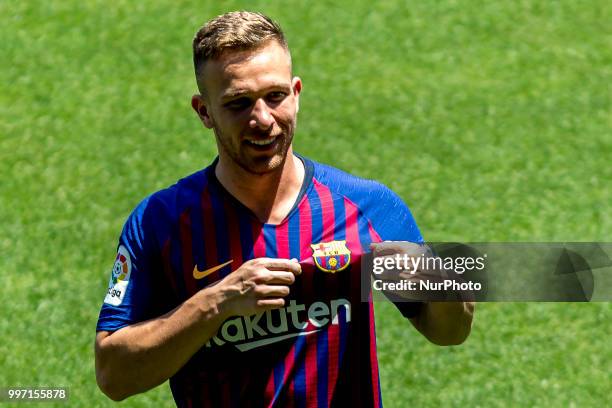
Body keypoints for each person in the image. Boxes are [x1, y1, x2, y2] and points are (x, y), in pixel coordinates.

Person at [94, 11, 474, 407]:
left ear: (296, 93)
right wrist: (215, 303)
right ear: (204, 111)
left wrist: (441, 284)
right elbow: (114, 376)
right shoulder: (163, 222)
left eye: (274, 96)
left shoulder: (368, 207)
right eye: (239, 104)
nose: (262, 119)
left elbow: (450, 332)